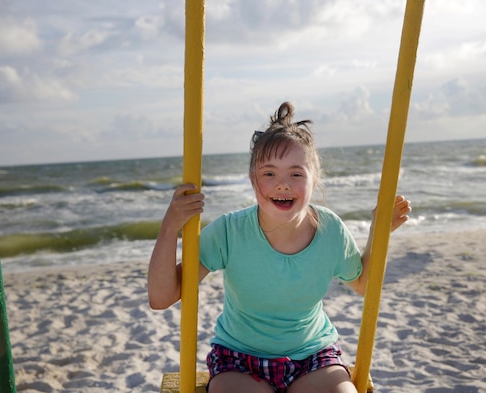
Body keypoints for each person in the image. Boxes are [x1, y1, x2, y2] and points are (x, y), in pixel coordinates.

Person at [148, 102, 411, 393]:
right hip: (239, 360)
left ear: (314, 179)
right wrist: (170, 227)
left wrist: (379, 231)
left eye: (296, 174)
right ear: (252, 180)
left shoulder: (330, 230)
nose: (282, 184)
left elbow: (363, 284)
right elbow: (161, 297)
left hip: (313, 357)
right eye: (269, 173)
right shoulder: (230, 231)